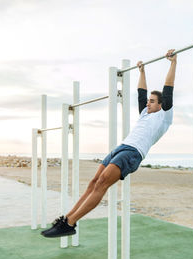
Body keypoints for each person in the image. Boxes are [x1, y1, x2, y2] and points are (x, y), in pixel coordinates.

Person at [41, 49, 177, 238]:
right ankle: (67, 219)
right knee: (93, 182)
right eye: (148, 101)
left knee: (102, 183)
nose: (147, 104)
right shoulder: (146, 113)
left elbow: (168, 89)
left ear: (161, 105)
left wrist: (172, 63)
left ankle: (71, 223)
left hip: (133, 153)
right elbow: (141, 93)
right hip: (121, 148)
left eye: (152, 102)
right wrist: (142, 72)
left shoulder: (164, 116)